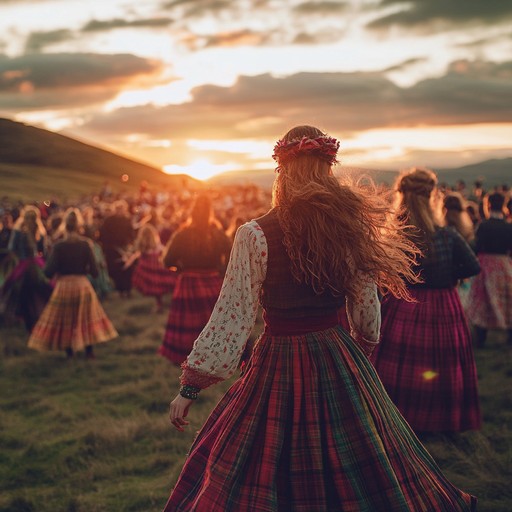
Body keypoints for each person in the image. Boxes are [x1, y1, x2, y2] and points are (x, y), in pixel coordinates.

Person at [163, 126, 476, 511]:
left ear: (282, 171)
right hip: (337, 351)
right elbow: (365, 306)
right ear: (328, 169)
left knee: (265, 453)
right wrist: (360, 351)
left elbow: (233, 315)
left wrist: (190, 388)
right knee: (357, 458)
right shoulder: (349, 227)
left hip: (279, 355)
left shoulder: (255, 233)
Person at [372, 167, 481, 434]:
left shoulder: (397, 235)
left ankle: (398, 421)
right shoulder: (448, 235)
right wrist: (448, 275)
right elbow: (472, 267)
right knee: (441, 366)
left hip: (404, 305)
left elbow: (383, 275)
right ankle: (440, 423)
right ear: (433, 197)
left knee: (401, 368)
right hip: (444, 305)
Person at [28, 208, 118, 359]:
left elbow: (48, 272)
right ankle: (89, 351)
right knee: (86, 318)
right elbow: (95, 272)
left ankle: (69, 352)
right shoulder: (86, 244)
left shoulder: (58, 246)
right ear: (79, 225)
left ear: (65, 225)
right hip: (82, 285)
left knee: (66, 319)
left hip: (64, 285)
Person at [158, 194, 231, 366]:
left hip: (189, 282)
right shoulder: (218, 234)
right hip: (213, 281)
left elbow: (168, 261)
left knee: (189, 323)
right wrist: (221, 271)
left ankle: (185, 356)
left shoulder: (182, 234)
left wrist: (182, 269)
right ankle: (215, 354)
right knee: (214, 322)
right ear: (210, 212)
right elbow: (231, 252)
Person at [466, 191, 512, 347]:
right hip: (504, 264)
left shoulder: (483, 225)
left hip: (485, 265)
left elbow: (477, 246)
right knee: (507, 301)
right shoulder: (508, 227)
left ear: (489, 205)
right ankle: (509, 337)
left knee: (483, 301)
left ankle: (481, 340)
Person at [2, 205, 52, 331]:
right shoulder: (39, 232)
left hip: (23, 264)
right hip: (37, 264)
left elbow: (11, 248)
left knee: (11, 287)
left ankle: (16, 317)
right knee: (45, 288)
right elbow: (44, 250)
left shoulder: (18, 232)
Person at [131, 223, 176, 313]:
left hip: (149, 270)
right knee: (161, 285)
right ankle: (164, 303)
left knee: (155, 288)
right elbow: (163, 251)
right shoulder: (157, 245)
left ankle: (159, 304)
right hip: (158, 267)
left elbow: (137, 254)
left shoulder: (142, 246)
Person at [98, 199, 136, 298]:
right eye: (118, 208)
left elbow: (131, 234)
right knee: (116, 271)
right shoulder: (109, 221)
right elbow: (102, 235)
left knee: (127, 270)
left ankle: (128, 290)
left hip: (124, 249)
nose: (120, 211)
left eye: (122, 209)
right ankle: (120, 290)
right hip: (112, 250)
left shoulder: (127, 220)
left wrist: (129, 244)